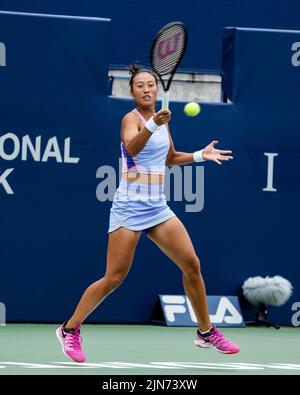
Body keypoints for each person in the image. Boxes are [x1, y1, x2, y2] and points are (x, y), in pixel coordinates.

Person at [56, 64, 240, 363]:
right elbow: (131, 148)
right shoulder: (131, 118)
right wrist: (153, 123)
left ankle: (205, 332)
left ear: (157, 89)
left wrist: (199, 156)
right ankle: (69, 329)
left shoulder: (163, 120)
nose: (146, 89)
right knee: (114, 278)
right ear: (132, 92)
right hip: (129, 207)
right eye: (140, 85)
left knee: (192, 264)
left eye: (150, 84)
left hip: (157, 207)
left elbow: (168, 158)